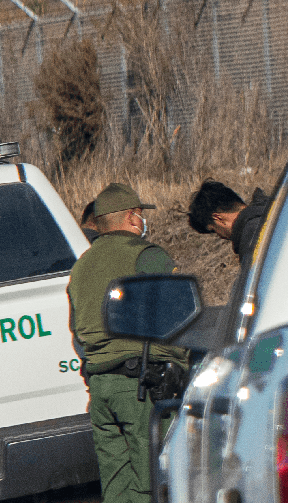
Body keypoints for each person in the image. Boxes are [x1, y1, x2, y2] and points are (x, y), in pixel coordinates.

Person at [66, 183, 189, 503]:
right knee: (153, 480)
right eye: (140, 215)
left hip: (101, 387)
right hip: (141, 387)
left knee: (116, 485)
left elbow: (76, 330)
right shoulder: (147, 256)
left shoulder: (80, 267)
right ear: (133, 218)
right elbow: (180, 319)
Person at [187, 180, 270, 274]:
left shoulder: (251, 237)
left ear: (218, 218)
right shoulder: (275, 211)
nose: (220, 236)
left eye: (214, 230)